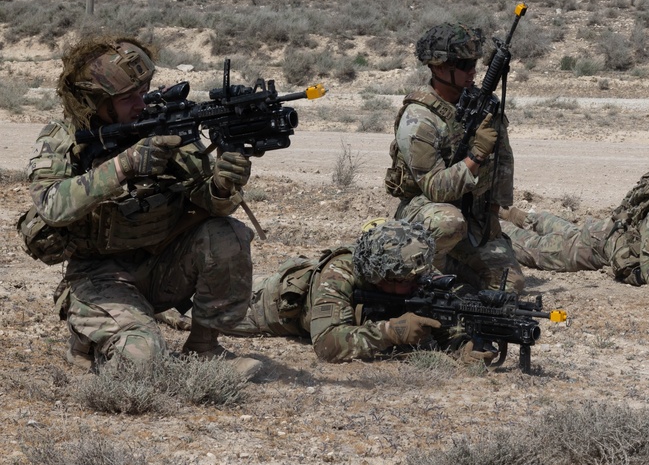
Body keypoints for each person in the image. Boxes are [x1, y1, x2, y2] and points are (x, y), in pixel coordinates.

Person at [23, 34, 260, 377]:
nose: (141, 103)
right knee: (143, 362)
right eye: (128, 98)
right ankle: (89, 338)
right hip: (99, 276)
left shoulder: (160, 125)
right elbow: (52, 205)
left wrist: (224, 183)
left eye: (144, 91)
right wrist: (125, 164)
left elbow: (210, 203)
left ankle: (205, 348)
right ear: (96, 102)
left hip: (161, 265)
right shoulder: (64, 137)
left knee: (227, 234)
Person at [221, 219, 495, 364]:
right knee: (194, 310)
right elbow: (327, 345)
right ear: (378, 276)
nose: (415, 285)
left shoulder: (411, 270)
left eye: (418, 278)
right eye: (404, 281)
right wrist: (390, 332)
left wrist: (462, 343)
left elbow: (438, 312)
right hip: (254, 306)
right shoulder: (339, 273)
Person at [384, 22, 524, 293]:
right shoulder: (419, 119)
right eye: (463, 64)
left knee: (510, 287)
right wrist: (477, 154)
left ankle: (453, 269)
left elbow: (503, 163)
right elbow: (435, 188)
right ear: (437, 67)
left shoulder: (478, 103)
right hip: (427, 214)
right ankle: (427, 273)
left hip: (471, 215)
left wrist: (494, 211)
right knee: (449, 223)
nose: (472, 71)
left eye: (474, 63)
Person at [501, 157, 649, 287]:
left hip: (604, 231)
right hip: (598, 247)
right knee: (531, 247)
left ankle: (513, 214)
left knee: (565, 229)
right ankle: (497, 223)